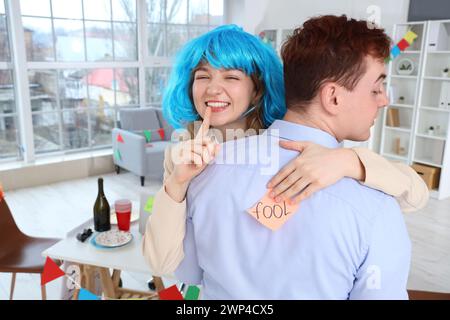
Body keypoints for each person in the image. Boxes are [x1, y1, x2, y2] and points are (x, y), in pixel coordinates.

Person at [142, 23, 428, 288]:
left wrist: (350, 161)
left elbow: (414, 192)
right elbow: (172, 266)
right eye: (202, 76)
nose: (213, 88)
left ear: (257, 91)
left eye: (231, 76)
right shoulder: (183, 157)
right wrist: (176, 185)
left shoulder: (292, 140)